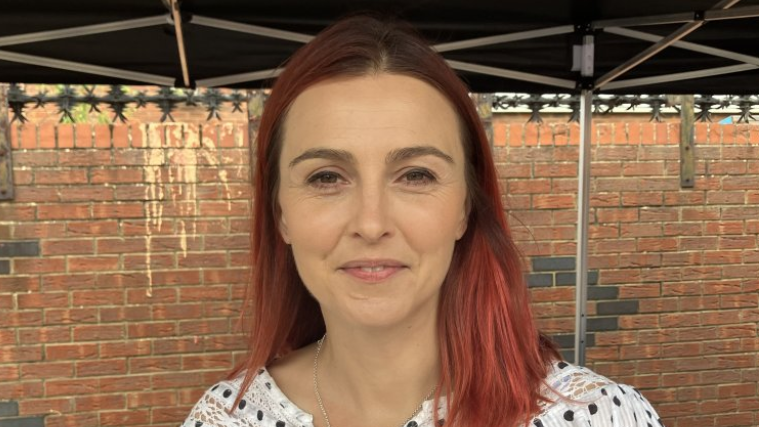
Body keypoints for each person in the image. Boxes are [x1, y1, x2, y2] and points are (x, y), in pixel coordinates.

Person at [181, 14, 663, 427]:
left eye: (415, 174)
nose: (371, 224)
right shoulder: (226, 418)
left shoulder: (593, 414)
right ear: (280, 214)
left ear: (466, 208)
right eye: (327, 177)